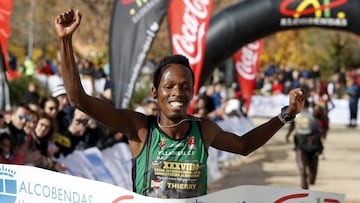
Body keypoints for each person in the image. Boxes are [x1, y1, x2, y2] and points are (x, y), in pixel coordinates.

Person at [54, 9, 307, 198]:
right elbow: (79, 100)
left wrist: (286, 114)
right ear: (155, 92)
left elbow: (244, 146)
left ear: (192, 92)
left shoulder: (203, 130)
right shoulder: (140, 129)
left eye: (185, 87)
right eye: (169, 86)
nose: (177, 92)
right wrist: (66, 41)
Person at [285, 100, 323, 190]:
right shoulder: (295, 116)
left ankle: (310, 180)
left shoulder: (314, 115)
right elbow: (292, 125)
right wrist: (288, 135)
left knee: (312, 179)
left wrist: (315, 137)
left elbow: (321, 130)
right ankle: (305, 194)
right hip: (300, 146)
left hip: (314, 147)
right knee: (303, 172)